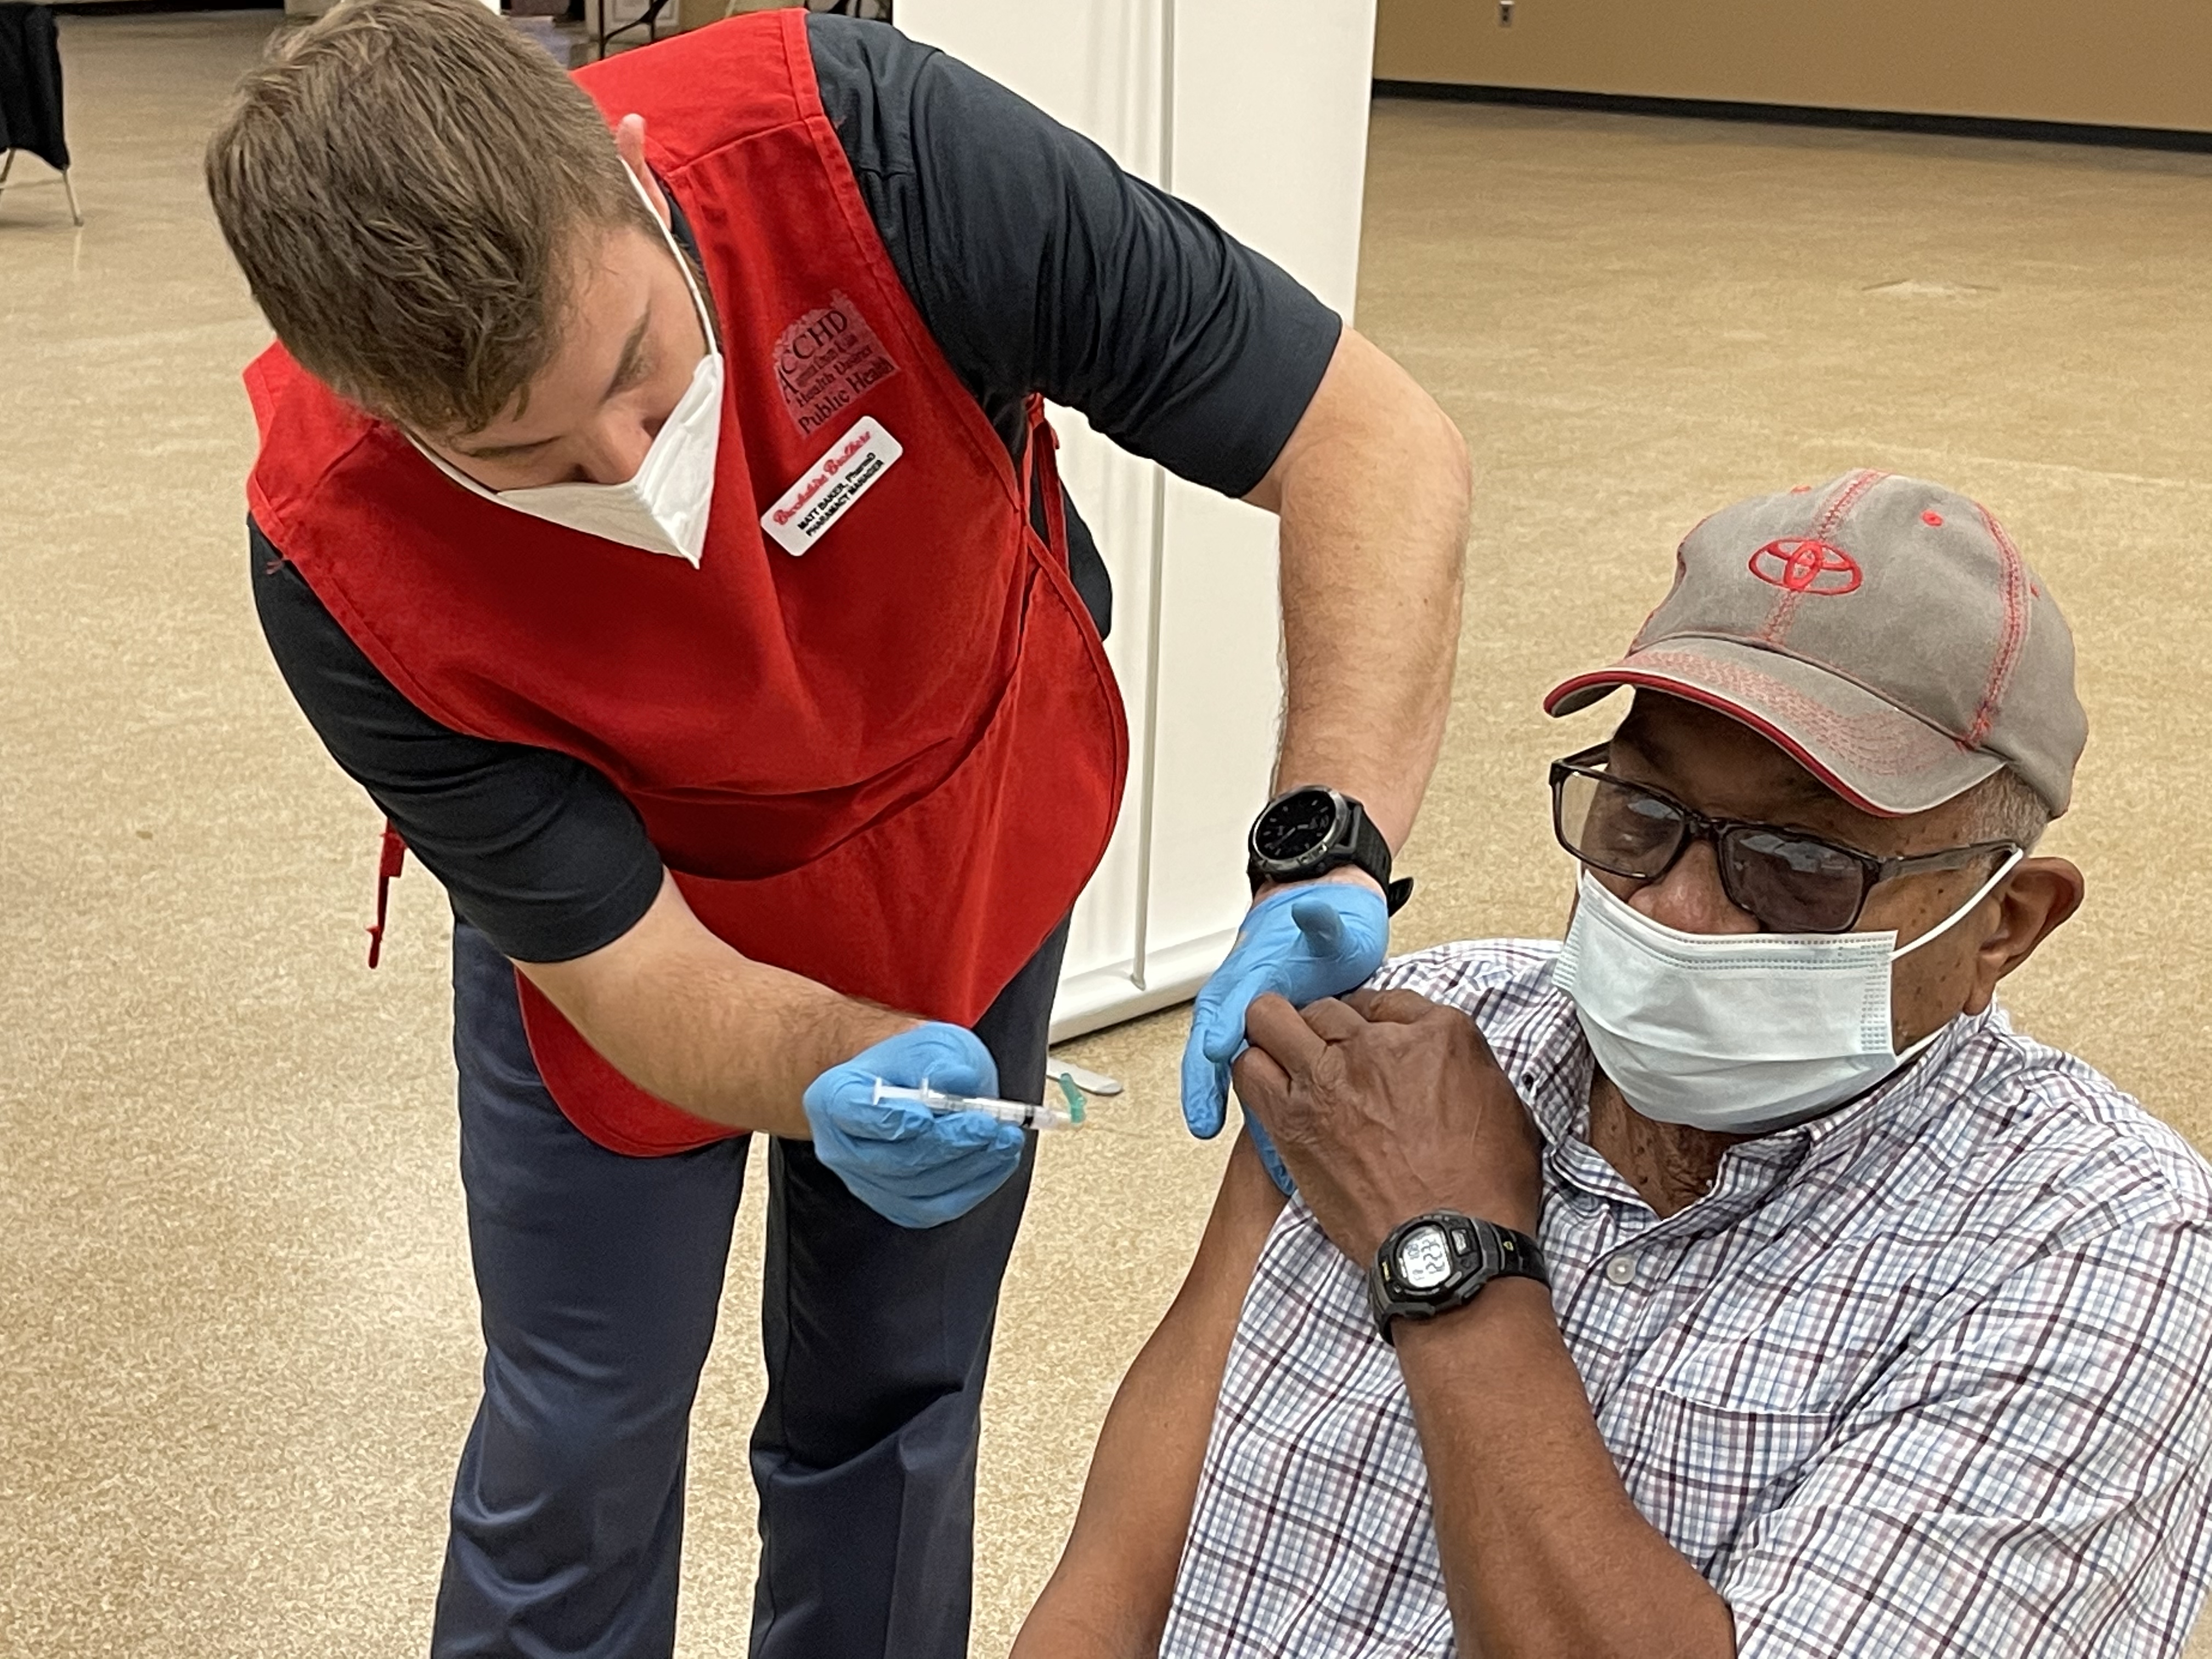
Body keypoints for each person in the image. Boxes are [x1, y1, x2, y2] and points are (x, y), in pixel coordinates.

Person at [203, 2, 1469, 1655]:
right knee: (578, 1425)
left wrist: (1331, 839)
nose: (630, 466)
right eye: (528, 460)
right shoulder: (335, 559)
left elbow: (1371, 442)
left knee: (895, 1391)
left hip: (966, 818)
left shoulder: (878, 158)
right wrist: (813, 1060)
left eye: (640, 373)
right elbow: (633, 968)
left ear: (639, 176)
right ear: (386, 417)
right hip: (630, 921)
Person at [1019, 472, 2212, 1659]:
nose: (1683, 909)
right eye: (1640, 816)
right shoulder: (1421, 1033)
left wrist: (1446, 1242)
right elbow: (1121, 1570)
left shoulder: (2101, 1256)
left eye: (1797, 864)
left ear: (2006, 923)